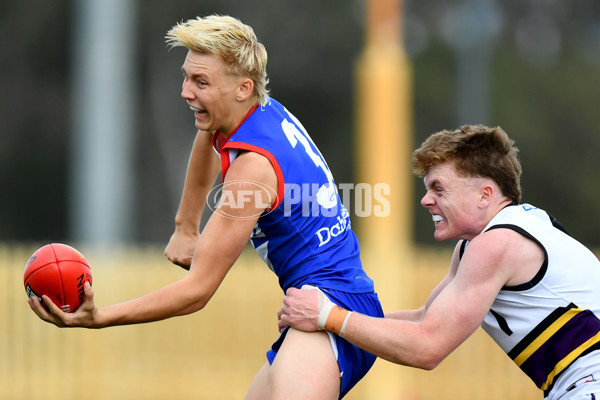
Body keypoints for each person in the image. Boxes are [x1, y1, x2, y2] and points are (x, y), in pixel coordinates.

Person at [27, 15, 383, 400]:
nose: (185, 91)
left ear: (243, 87)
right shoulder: (257, 111)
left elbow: (197, 292)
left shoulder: (252, 170)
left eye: (200, 82)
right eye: (186, 77)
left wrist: (100, 318)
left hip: (331, 309)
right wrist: (186, 226)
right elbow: (211, 136)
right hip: (330, 303)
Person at [279, 125, 600, 400]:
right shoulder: (486, 239)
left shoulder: (496, 242)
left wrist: (328, 316)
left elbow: (427, 347)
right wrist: (328, 322)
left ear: (485, 195)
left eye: (439, 188)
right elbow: (424, 320)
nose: (426, 199)